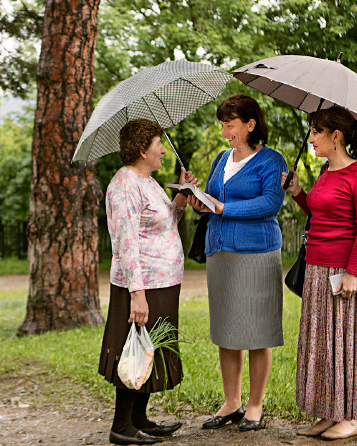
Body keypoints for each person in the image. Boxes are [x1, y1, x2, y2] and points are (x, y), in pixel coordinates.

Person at [186, 94, 288, 431]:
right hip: (220, 252)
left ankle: (255, 404)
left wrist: (222, 209)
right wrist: (200, 202)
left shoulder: (272, 161)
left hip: (258, 253)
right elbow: (215, 199)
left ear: (250, 124)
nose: (224, 131)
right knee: (227, 330)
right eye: (222, 125)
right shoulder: (220, 157)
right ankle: (232, 402)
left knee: (258, 330)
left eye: (230, 124)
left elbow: (270, 204)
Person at [98, 119, 199, 445]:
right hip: (142, 286)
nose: (163, 149)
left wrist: (181, 200)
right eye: (158, 143)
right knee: (135, 351)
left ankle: (139, 419)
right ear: (142, 149)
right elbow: (126, 245)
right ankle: (121, 427)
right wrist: (137, 296)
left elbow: (164, 223)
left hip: (163, 282)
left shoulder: (149, 181)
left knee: (151, 349)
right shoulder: (125, 186)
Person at [281, 105, 357, 441]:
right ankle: (328, 413)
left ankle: (350, 417)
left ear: (335, 136)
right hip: (317, 271)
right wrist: (297, 193)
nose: (311, 138)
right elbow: (318, 213)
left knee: (346, 346)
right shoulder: (325, 173)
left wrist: (353, 273)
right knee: (322, 345)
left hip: (346, 274)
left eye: (315, 132)